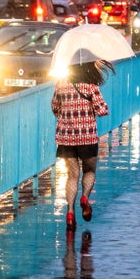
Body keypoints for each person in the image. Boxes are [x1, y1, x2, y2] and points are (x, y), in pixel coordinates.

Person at [51, 59, 114, 230]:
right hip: (87, 138)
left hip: (66, 138)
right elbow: (102, 110)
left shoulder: (61, 84)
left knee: (72, 175)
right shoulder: (91, 87)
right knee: (89, 170)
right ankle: (85, 198)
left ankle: (70, 213)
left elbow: (55, 108)